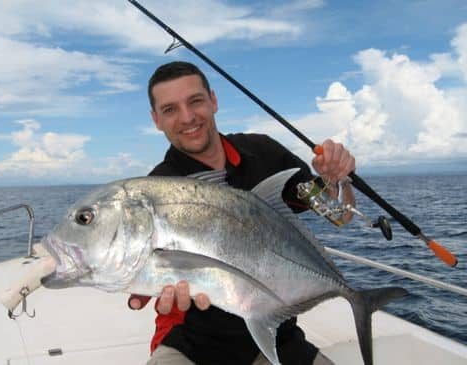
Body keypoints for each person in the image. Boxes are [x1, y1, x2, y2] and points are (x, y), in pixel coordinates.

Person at [128, 61, 356, 365]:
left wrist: (336, 178)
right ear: (156, 120)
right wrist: (141, 284)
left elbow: (339, 215)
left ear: (213, 100)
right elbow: (145, 272)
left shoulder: (263, 153)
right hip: (194, 345)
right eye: (170, 109)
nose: (187, 117)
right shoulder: (157, 190)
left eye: (195, 101)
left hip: (277, 336)